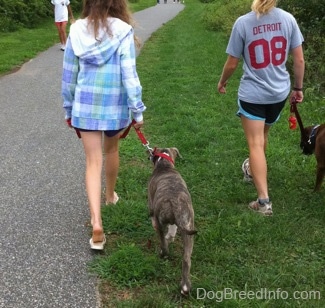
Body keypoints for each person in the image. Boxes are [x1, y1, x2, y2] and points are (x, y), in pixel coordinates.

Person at [61, 0, 146, 250]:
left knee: (92, 162)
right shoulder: (122, 30)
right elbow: (129, 75)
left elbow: (69, 76)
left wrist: (68, 107)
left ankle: (96, 222)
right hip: (114, 107)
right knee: (112, 151)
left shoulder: (76, 30)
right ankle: (110, 196)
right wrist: (137, 111)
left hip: (85, 107)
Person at [217, 0, 304, 216]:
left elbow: (232, 63)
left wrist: (223, 81)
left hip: (253, 95)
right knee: (263, 135)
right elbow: (299, 59)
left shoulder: (243, 23)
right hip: (278, 93)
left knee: (255, 143)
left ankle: (263, 201)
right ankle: (251, 170)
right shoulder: (288, 19)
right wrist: (298, 88)